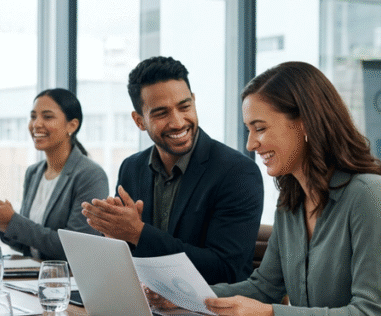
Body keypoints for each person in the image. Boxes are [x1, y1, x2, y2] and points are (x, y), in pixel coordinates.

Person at [203, 61, 381, 316]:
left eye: (260, 128)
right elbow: (264, 288)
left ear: (304, 122)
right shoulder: (290, 201)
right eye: (248, 130)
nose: (250, 144)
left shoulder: (371, 196)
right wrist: (188, 295)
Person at [82, 56, 263, 284]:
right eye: (161, 113)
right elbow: (129, 258)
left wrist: (137, 233)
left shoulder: (237, 172)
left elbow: (226, 270)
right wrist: (115, 238)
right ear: (139, 121)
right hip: (146, 304)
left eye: (184, 106)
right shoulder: (132, 167)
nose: (178, 122)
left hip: (207, 313)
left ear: (194, 102)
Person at [0, 89, 108, 261]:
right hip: (33, 277)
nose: (36, 124)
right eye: (33, 116)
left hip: (68, 280)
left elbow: (74, 248)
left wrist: (13, 221)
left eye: (47, 117)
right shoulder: (34, 173)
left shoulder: (90, 175)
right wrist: (4, 224)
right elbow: (28, 245)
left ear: (72, 125)